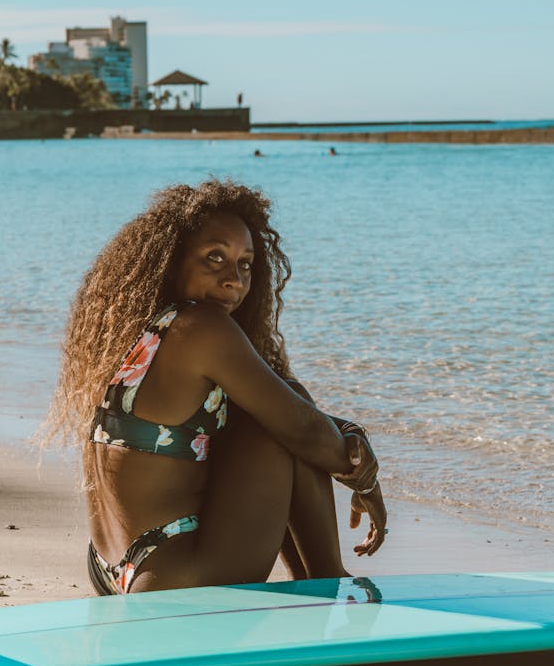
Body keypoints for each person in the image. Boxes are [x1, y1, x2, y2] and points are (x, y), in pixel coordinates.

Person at [48, 180, 387, 595]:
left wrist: (346, 432)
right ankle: (329, 580)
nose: (235, 280)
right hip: (173, 578)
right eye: (215, 258)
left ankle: (321, 581)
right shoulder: (201, 328)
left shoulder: (138, 335)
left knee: (283, 403)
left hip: (110, 567)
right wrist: (365, 480)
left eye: (246, 264)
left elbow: (292, 416)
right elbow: (306, 432)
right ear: (172, 261)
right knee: (286, 419)